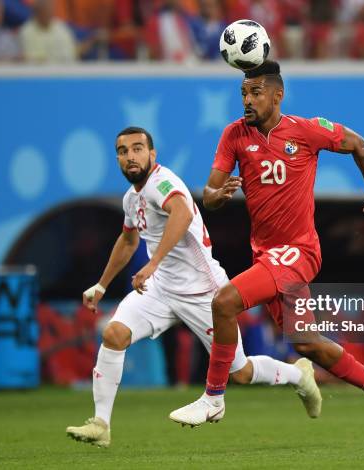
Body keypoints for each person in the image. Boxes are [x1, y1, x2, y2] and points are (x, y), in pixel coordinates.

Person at [170, 61, 364, 436]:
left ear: (278, 95)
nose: (247, 99)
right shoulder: (234, 136)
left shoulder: (307, 131)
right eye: (243, 93)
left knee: (224, 302)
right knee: (307, 343)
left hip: (300, 251)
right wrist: (219, 194)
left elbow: (359, 144)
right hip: (267, 254)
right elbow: (209, 193)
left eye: (256, 92)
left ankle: (213, 399)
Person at [66, 126, 322, 448]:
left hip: (204, 292)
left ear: (152, 154)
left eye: (137, 149)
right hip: (160, 290)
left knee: (240, 372)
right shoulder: (132, 197)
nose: (130, 156)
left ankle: (300, 375)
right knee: (114, 334)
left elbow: (183, 214)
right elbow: (129, 239)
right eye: (122, 151)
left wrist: (153, 262)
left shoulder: (163, 182)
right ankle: (101, 424)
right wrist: (102, 285)